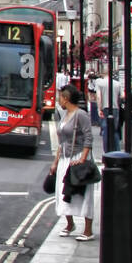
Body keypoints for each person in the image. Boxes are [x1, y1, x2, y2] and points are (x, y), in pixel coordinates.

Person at [51, 84, 96, 240]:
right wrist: (56, 162)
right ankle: (70, 224)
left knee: (83, 195)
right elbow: (61, 141)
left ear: (66, 98)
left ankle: (88, 230)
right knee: (63, 192)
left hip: (78, 159)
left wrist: (82, 159)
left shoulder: (80, 115)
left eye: (60, 98)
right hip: (65, 159)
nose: (59, 101)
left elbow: (89, 137)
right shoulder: (65, 115)